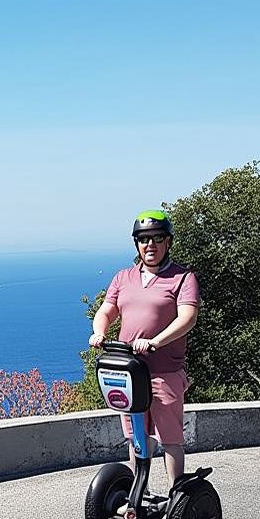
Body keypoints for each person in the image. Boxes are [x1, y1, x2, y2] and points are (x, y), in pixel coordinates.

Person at [88, 210, 200, 499]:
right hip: (130, 371)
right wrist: (99, 332)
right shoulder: (123, 278)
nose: (150, 245)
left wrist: (155, 342)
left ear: (168, 242)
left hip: (164, 372)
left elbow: (187, 318)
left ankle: (177, 497)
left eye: (157, 238)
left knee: (170, 438)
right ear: (136, 243)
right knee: (136, 435)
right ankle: (141, 495)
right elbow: (106, 311)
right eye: (144, 239)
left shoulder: (182, 278)